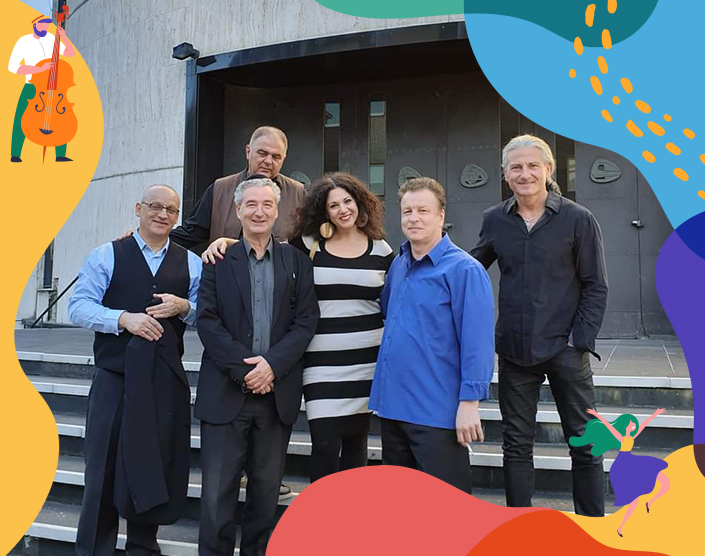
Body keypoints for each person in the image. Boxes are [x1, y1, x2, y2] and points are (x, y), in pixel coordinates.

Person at [471, 134, 609, 516]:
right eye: (516, 167)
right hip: (515, 352)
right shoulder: (494, 220)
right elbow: (470, 269)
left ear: (548, 169)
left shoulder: (578, 218)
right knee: (516, 446)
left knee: (586, 444)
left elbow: (596, 284)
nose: (525, 173)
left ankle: (592, 526)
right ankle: (521, 527)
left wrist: (579, 341)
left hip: (566, 350)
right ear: (505, 174)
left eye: (533, 165)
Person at [68, 185, 202, 556]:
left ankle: (143, 547)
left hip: (162, 381)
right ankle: (93, 549)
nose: (163, 214)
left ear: (177, 217)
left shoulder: (192, 263)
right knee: (103, 471)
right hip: (114, 378)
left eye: (171, 210)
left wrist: (184, 307)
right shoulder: (106, 255)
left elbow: (207, 314)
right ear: (138, 208)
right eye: (155, 207)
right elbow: (78, 307)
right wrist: (123, 319)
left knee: (152, 467)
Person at [195, 177, 318, 556]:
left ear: (277, 210)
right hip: (225, 394)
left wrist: (272, 367)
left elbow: (306, 322)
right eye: (251, 204)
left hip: (275, 396)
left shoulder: (297, 262)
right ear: (238, 210)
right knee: (217, 496)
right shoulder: (217, 261)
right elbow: (207, 322)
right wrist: (247, 370)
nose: (259, 211)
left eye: (267, 204)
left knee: (265, 495)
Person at [368, 177, 495, 494]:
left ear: (441, 216)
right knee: (402, 507)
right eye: (407, 211)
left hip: (436, 412)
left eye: (423, 210)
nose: (414, 218)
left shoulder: (465, 270)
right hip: (393, 408)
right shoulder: (398, 265)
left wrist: (470, 403)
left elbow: (477, 344)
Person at [170, 126, 304, 249]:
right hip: (225, 267)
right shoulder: (219, 189)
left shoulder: (298, 193)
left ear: (283, 158)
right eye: (262, 153)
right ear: (248, 152)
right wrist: (158, 238)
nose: (268, 161)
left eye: (276, 157)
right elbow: (191, 234)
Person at [569, 408, 670, 537]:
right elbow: (609, 427)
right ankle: (621, 528)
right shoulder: (621, 437)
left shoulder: (631, 436)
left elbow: (642, 426)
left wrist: (655, 414)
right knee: (635, 498)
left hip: (633, 462)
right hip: (624, 464)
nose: (634, 426)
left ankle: (649, 503)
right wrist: (595, 415)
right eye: (632, 424)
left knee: (664, 481)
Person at [8, 14, 76, 162]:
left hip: (55, 87)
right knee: (20, 119)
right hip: (32, 86)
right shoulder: (24, 41)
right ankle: (15, 154)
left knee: (61, 119)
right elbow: (13, 67)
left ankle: (60, 154)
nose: (45, 27)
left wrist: (63, 38)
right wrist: (39, 69)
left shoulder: (51, 39)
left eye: (47, 24)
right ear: (35, 25)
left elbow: (70, 53)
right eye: (42, 24)